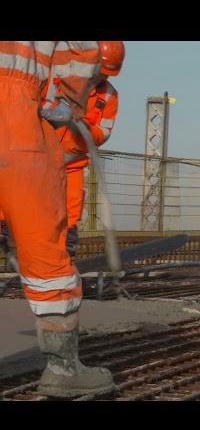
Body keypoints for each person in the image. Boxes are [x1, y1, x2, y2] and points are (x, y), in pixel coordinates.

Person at [0, 41, 118, 397]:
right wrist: (68, 102)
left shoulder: (108, 96)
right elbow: (81, 48)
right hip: (20, 119)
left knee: (55, 234)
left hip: (63, 155)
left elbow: (100, 132)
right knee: (45, 249)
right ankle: (62, 367)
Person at [44, 41, 123, 256]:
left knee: (69, 212)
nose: (101, 78)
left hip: (72, 164)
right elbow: (40, 104)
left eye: (106, 74)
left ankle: (66, 246)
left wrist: (84, 127)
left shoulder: (108, 96)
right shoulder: (61, 77)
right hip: (39, 158)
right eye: (100, 72)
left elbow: (103, 133)